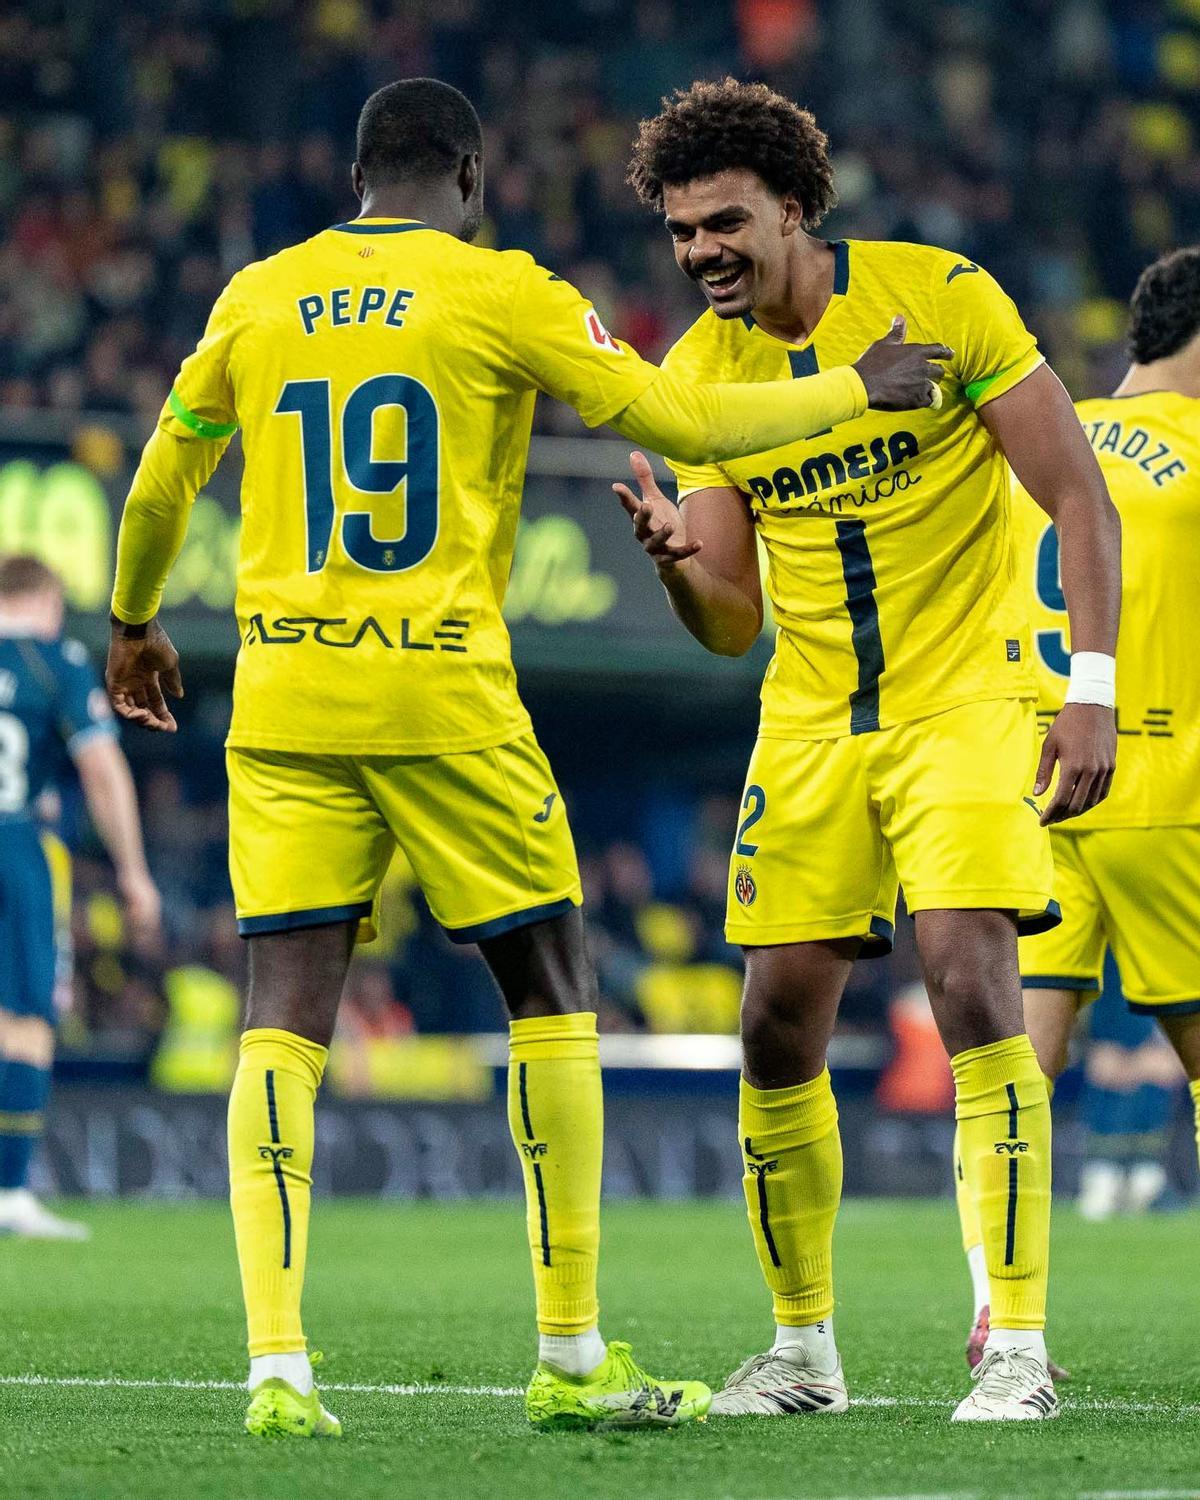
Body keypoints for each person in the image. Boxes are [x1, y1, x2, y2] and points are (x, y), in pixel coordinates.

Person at [103, 76, 946, 1440]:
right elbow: (686, 429)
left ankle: (276, 1371)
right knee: (550, 980)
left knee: (282, 1010)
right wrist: (864, 384)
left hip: (286, 697)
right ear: (474, 180)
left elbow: (157, 479)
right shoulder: (507, 294)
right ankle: (569, 1350)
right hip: (441, 691)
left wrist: (135, 622)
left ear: (359, 176)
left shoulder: (257, 295)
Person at [617, 77, 1120, 1421]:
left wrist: (1093, 686)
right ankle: (802, 1354)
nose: (703, 252)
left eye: (725, 223)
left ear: (794, 207)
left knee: (967, 985)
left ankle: (1014, 1344)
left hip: (964, 698)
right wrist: (676, 563)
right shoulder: (699, 375)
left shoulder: (943, 298)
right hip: (813, 718)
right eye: (681, 233)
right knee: (774, 1025)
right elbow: (730, 626)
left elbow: (1076, 490)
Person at [955, 245, 1200, 1364]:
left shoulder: (1042, 439)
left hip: (1033, 791)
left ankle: (1001, 1315)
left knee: (1014, 1073)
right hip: (1168, 792)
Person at [0, 556, 160, 1239]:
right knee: (25, 1019)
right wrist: (133, 872)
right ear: (50, 601)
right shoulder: (53, 663)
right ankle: (10, 1195)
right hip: (14, 846)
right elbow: (100, 766)